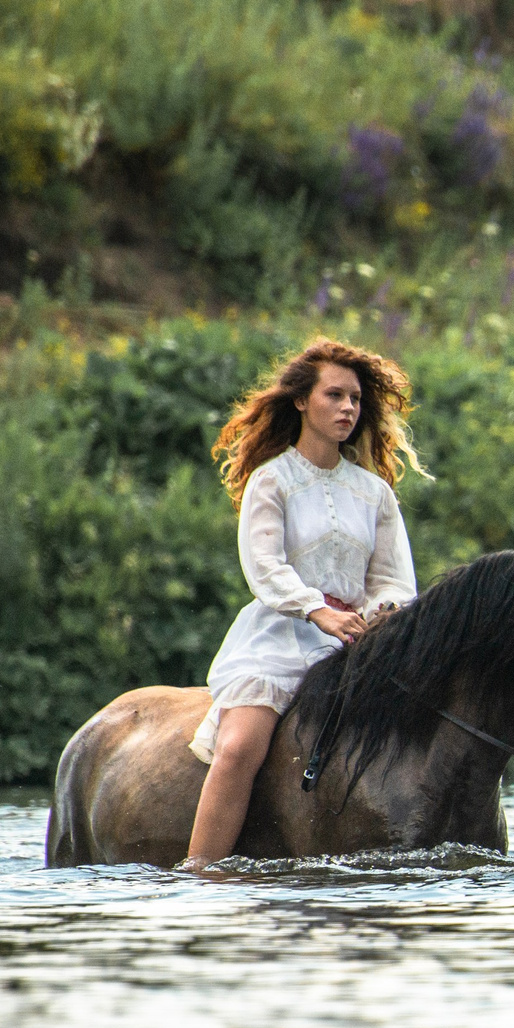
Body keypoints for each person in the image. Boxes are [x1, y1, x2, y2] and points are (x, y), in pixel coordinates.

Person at [184, 339, 425, 866]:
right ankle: (200, 872)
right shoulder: (271, 480)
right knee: (240, 746)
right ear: (300, 401)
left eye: (356, 399)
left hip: (357, 642)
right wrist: (318, 610)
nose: (348, 409)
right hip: (280, 636)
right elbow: (264, 566)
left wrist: (382, 613)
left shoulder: (376, 493)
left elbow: (392, 579)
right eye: (334, 395)